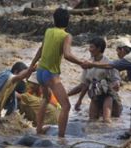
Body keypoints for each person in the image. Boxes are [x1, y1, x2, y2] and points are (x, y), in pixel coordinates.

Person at [27, 8, 88, 138]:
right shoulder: (66, 36)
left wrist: (32, 65)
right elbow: (67, 55)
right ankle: (61, 137)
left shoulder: (48, 31)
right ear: (68, 21)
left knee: (46, 98)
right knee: (66, 106)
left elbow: (41, 49)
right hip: (51, 74)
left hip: (40, 72)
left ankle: (38, 130)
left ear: (54, 20)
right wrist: (81, 62)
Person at [69, 37, 121, 122]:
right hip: (95, 96)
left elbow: (116, 81)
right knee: (91, 120)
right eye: (89, 47)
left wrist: (116, 84)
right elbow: (84, 85)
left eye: (92, 47)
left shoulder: (108, 63)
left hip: (108, 96)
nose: (89, 49)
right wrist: (78, 100)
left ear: (99, 48)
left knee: (107, 120)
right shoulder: (88, 64)